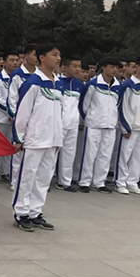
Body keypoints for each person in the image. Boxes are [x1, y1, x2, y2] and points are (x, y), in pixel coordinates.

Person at [12, 44, 64, 232]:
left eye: (59, 55)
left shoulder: (58, 83)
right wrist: (19, 138)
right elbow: (22, 112)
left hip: (52, 140)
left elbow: (59, 113)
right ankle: (21, 213)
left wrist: (59, 138)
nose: (58, 58)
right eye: (54, 55)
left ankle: (35, 211)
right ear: (42, 57)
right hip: (34, 139)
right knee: (27, 177)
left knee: (43, 178)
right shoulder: (33, 82)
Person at [77, 57, 122, 193]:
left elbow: (117, 105)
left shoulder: (118, 86)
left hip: (110, 126)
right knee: (90, 154)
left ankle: (99, 182)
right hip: (94, 124)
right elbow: (84, 105)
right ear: (103, 67)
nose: (114, 70)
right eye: (112, 67)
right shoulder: (93, 84)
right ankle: (85, 181)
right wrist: (88, 118)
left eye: (116, 67)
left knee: (105, 155)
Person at [8, 44, 38, 188]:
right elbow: (12, 98)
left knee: (33, 152)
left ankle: (30, 182)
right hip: (21, 118)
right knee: (18, 151)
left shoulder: (40, 75)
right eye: (34, 55)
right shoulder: (17, 75)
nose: (36, 58)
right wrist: (16, 116)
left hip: (37, 121)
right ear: (26, 56)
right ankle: (15, 181)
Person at [55, 56, 84, 192]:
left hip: (73, 124)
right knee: (52, 153)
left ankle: (64, 182)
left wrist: (79, 120)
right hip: (59, 123)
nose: (78, 69)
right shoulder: (57, 82)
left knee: (69, 153)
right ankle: (45, 180)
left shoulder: (79, 84)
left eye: (79, 66)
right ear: (65, 67)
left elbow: (80, 105)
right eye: (75, 66)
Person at [0, 51, 19, 184]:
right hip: (0, 118)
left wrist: (17, 114)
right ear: (5, 62)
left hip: (14, 119)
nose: (15, 63)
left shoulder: (17, 78)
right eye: (11, 60)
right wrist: (11, 113)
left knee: (9, 145)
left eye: (16, 60)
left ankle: (5, 171)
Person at [115, 61, 140, 194]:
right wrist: (125, 127)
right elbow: (123, 107)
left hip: (139, 127)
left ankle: (132, 181)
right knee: (124, 155)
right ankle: (120, 182)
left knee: (137, 156)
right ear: (137, 68)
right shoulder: (128, 85)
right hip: (130, 127)